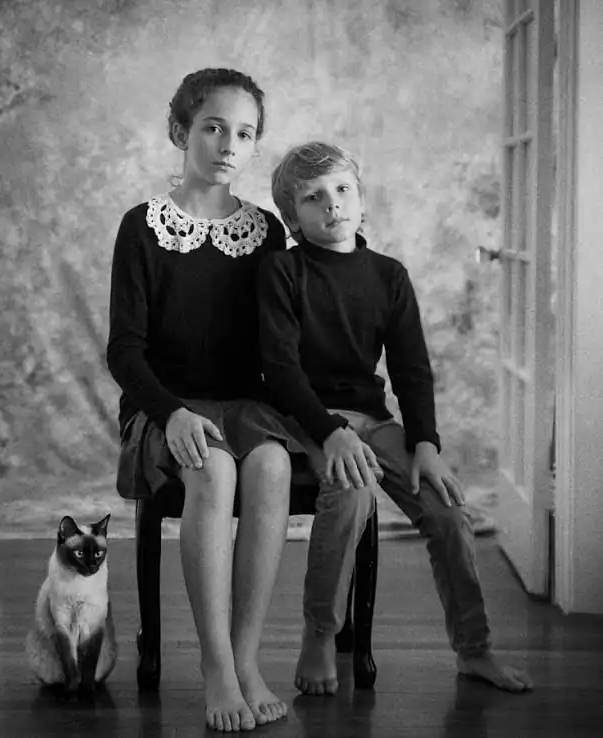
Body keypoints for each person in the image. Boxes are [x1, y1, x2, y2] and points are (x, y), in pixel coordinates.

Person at [259, 141, 535, 696]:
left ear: (362, 201)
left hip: (371, 418)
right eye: (313, 197)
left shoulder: (388, 275)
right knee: (353, 490)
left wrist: (426, 443)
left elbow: (411, 368)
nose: (332, 204)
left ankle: (474, 649)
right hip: (304, 417)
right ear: (292, 217)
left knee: (448, 510)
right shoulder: (282, 271)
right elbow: (279, 369)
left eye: (342, 190)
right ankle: (320, 634)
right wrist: (330, 432)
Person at [107, 68, 303, 732]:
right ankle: (216, 664)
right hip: (164, 405)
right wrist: (170, 412)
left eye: (244, 134)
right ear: (179, 130)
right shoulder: (143, 227)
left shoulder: (265, 231)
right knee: (213, 470)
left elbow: (279, 344)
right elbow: (124, 350)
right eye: (213, 127)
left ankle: (246, 658)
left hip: (243, 404)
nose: (228, 145)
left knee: (272, 465)